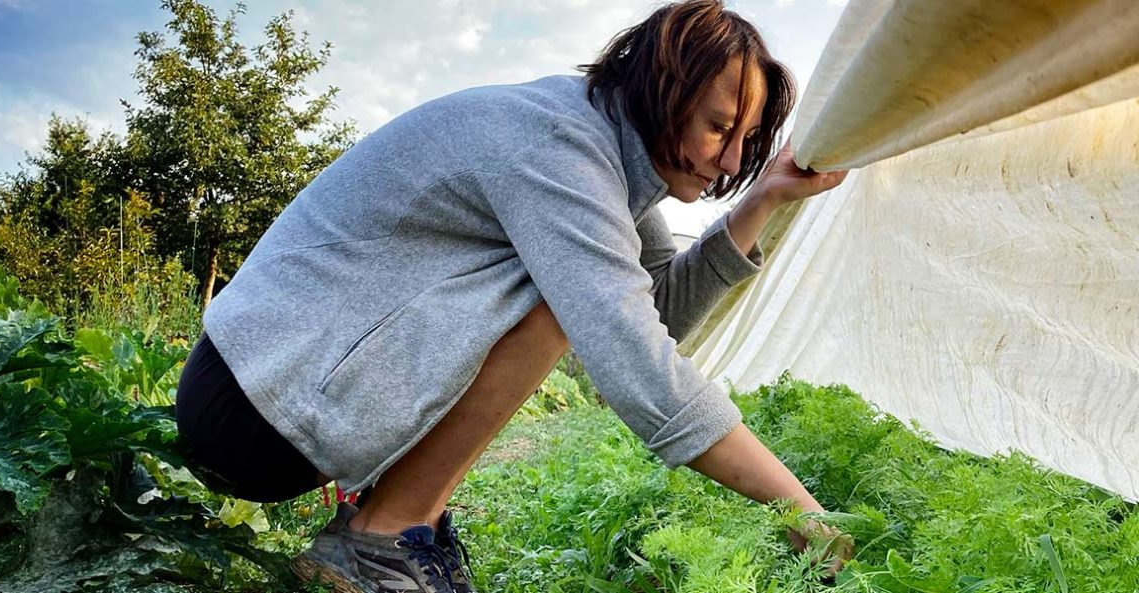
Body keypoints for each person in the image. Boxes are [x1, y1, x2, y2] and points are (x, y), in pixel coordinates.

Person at [174, 1, 849, 591]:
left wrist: (760, 202)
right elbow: (634, 357)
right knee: (567, 299)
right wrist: (799, 505)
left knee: (583, 294)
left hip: (280, 392)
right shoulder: (562, 149)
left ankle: (404, 527)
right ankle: (385, 536)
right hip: (256, 402)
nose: (731, 161)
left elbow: (660, 314)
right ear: (660, 89)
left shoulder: (601, 153)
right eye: (716, 126)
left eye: (743, 140)